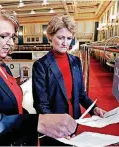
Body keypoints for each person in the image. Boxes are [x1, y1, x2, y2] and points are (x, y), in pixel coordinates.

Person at [0, 6, 77, 146]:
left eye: (12, 37)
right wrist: (37, 123)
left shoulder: (2, 66)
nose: (11, 43)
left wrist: (46, 123)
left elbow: (14, 108)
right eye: (4, 36)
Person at [32, 14, 106, 145]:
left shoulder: (76, 62)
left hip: (74, 124)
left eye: (69, 38)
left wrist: (94, 109)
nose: (65, 43)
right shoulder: (40, 66)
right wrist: (58, 128)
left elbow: (81, 94)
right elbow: (41, 105)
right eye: (60, 37)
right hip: (53, 130)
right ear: (50, 36)